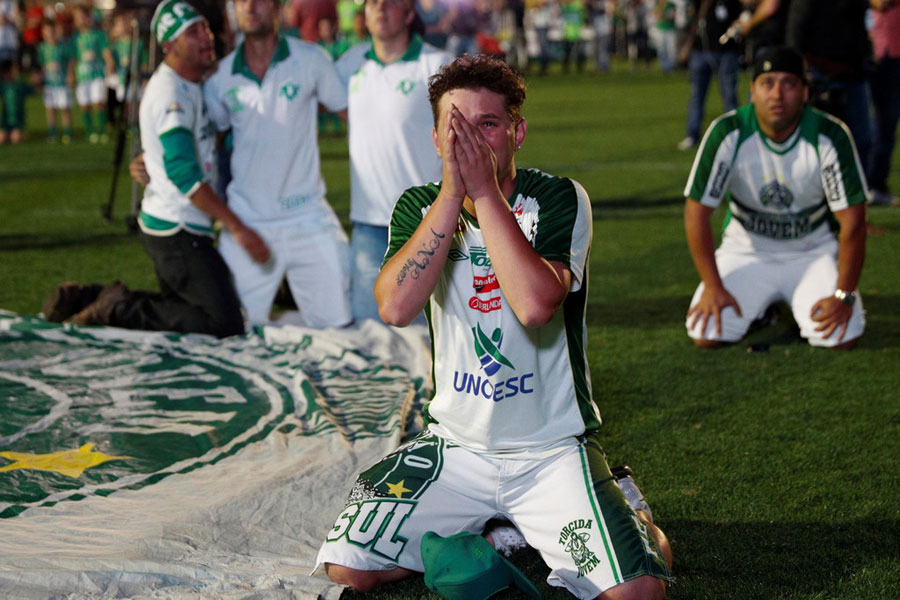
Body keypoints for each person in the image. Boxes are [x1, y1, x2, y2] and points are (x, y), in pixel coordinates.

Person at [315, 54, 673, 599]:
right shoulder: (419, 206)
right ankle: (497, 524)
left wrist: (483, 194)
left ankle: (626, 506)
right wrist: (455, 194)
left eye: (487, 124)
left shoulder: (557, 198)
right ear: (436, 140)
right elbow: (394, 308)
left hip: (551, 449)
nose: (473, 140)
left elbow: (535, 306)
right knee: (350, 567)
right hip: (456, 446)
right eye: (456, 126)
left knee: (638, 592)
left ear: (517, 131)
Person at [42, 0, 266, 338]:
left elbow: (189, 144)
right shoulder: (170, 92)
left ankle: (89, 298)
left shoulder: (192, 82)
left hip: (180, 223)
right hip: (177, 228)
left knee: (188, 309)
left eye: (205, 28)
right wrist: (237, 227)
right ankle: (116, 308)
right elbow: (182, 171)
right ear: (168, 47)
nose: (207, 38)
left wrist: (151, 157)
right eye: (193, 32)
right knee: (222, 323)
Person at [683, 46, 867, 349]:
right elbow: (696, 213)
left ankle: (782, 305)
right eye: (767, 83)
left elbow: (854, 222)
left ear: (805, 92)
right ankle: (763, 308)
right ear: (752, 91)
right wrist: (714, 287)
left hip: (812, 251)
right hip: (746, 250)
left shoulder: (829, 134)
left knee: (839, 336)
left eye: (789, 83)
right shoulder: (728, 131)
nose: (777, 94)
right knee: (707, 333)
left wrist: (844, 296)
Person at [203, 0, 353, 328]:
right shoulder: (222, 76)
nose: (250, 6)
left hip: (308, 215)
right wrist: (151, 160)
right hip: (248, 221)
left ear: (277, 8)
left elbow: (354, 119)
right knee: (225, 331)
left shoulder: (311, 59)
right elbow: (203, 144)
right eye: (241, 0)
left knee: (341, 329)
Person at [335, 0, 451, 321]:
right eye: (373, 3)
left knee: (426, 332)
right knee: (368, 329)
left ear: (409, 14)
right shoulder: (350, 64)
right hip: (368, 222)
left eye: (390, 3)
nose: (380, 9)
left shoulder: (436, 64)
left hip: (424, 220)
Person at [676, 0, 743, 151]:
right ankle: (692, 134)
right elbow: (690, 19)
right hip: (700, 51)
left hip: (726, 52)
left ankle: (734, 134)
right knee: (696, 95)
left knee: (729, 95)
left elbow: (740, 17)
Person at [866, 0, 899, 207]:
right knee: (875, 124)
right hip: (877, 51)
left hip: (893, 51)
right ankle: (869, 183)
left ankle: (877, 184)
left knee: (887, 124)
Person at [72, 4, 114, 143]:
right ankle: (90, 131)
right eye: (78, 18)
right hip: (82, 76)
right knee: (85, 104)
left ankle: (102, 130)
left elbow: (105, 51)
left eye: (83, 17)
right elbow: (73, 58)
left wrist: (110, 62)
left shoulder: (98, 34)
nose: (81, 20)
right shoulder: (76, 37)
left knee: (99, 102)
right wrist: (71, 74)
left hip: (97, 74)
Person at [37, 19, 75, 143]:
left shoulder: (63, 46)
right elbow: (42, 64)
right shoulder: (42, 48)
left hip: (62, 82)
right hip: (50, 83)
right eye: (46, 32)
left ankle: (67, 133)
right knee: (50, 108)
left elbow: (71, 60)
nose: (49, 34)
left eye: (51, 31)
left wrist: (70, 74)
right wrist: (40, 77)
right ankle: (52, 133)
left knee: (64, 108)